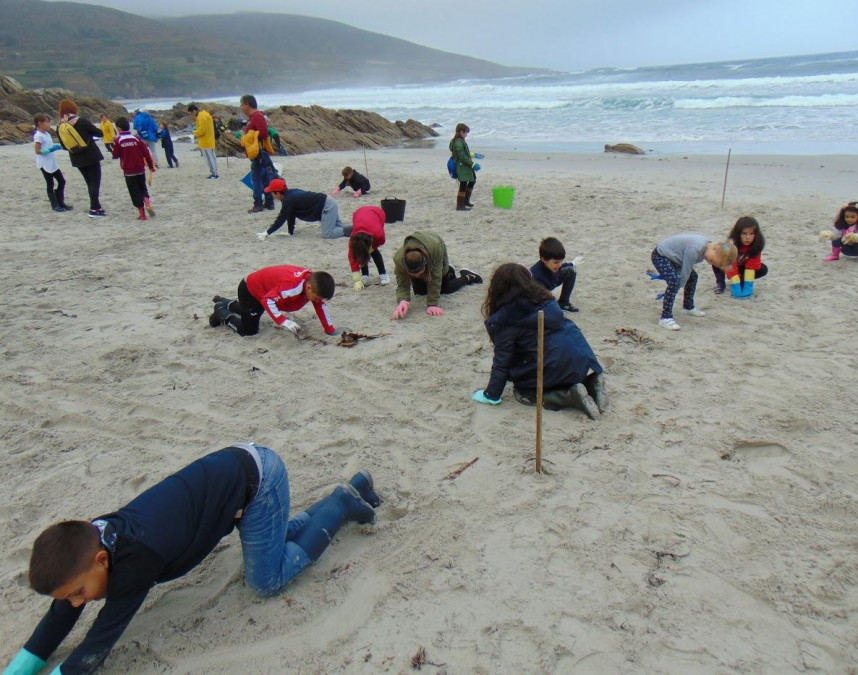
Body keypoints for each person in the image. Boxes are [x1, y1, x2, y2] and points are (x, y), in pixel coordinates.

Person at [3, 443, 380, 675]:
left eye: (77, 593)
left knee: (267, 578)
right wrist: (19, 669)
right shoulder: (93, 540)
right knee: (271, 541)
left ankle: (343, 505)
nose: (75, 603)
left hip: (259, 481)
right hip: (236, 471)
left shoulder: (134, 564)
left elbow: (100, 641)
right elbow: (61, 614)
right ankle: (352, 489)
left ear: (102, 560)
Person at [472, 263, 608, 419]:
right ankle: (592, 381)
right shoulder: (546, 299)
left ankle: (569, 397)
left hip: (552, 366)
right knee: (559, 364)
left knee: (524, 391)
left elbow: (502, 361)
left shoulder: (505, 319)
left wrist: (491, 395)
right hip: (583, 360)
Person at [209, 265, 337, 338]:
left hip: (264, 291)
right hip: (251, 291)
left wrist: (329, 329)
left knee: (249, 312)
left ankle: (224, 301)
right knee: (248, 331)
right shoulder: (293, 286)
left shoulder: (313, 284)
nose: (317, 301)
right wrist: (283, 320)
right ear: (309, 288)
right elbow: (268, 300)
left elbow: (320, 305)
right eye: (316, 298)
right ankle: (220, 312)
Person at [651, 233, 737, 331]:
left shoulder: (706, 247)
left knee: (693, 277)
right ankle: (665, 317)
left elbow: (686, 270)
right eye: (712, 260)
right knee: (674, 282)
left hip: (675, 259)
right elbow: (685, 272)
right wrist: (678, 285)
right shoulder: (695, 249)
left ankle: (688, 307)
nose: (709, 263)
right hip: (661, 256)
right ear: (714, 248)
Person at [391, 231, 482, 319]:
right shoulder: (399, 259)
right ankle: (449, 271)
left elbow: (436, 279)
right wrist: (403, 301)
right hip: (421, 259)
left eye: (420, 274)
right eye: (413, 275)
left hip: (435, 245)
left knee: (445, 289)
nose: (418, 277)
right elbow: (402, 283)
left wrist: (432, 304)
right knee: (421, 292)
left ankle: (467, 277)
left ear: (425, 264)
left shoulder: (435, 249)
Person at [57, 99, 106, 218]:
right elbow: (100, 133)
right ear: (73, 109)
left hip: (76, 158)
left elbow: (64, 146)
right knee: (94, 182)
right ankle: (94, 208)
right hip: (91, 155)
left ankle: (96, 206)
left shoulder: (61, 127)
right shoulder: (82, 121)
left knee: (89, 182)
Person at [256, 178, 350, 240]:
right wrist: (290, 232)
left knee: (328, 234)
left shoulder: (288, 199)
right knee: (338, 229)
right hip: (328, 203)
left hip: (327, 206)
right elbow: (290, 214)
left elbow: (281, 218)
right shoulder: (288, 196)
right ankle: (354, 230)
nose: (272, 195)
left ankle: (353, 229)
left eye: (272, 193)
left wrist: (267, 233)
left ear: (278, 193)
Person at [111, 117, 156, 221]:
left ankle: (142, 215)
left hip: (129, 171)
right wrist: (151, 166)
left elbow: (115, 155)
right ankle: (147, 202)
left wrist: (114, 145)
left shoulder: (118, 140)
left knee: (134, 192)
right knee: (142, 187)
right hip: (140, 169)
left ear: (118, 128)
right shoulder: (136, 139)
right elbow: (146, 153)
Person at [713, 216, 767, 298]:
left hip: (743, 267)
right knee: (716, 261)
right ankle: (720, 284)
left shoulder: (756, 245)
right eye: (744, 233)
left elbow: (752, 266)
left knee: (763, 269)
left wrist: (748, 288)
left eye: (751, 234)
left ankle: (742, 280)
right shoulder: (731, 243)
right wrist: (726, 246)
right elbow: (722, 254)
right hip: (729, 264)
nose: (748, 237)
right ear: (738, 234)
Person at [240, 94, 275, 213]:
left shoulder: (256, 116)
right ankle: (269, 202)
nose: (241, 107)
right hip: (259, 152)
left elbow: (264, 133)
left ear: (247, 104)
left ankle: (258, 203)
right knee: (265, 178)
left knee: (256, 179)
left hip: (259, 152)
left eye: (242, 104)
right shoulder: (254, 116)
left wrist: (251, 135)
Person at [530, 237, 581, 313]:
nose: (559, 265)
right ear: (543, 259)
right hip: (540, 291)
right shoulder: (536, 276)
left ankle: (564, 303)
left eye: (561, 261)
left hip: (552, 281)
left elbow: (562, 266)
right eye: (556, 262)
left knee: (570, 271)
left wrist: (572, 263)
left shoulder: (553, 266)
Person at [33, 114, 70, 213]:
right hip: (44, 163)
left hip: (51, 162)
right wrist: (50, 150)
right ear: (40, 123)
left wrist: (59, 147)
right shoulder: (38, 135)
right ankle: (55, 205)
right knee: (50, 184)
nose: (49, 124)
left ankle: (60, 202)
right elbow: (37, 151)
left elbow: (50, 144)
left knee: (61, 181)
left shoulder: (47, 134)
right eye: (47, 122)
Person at [348, 206, 390, 290]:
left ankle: (383, 273)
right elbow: (352, 258)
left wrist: (371, 248)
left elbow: (382, 241)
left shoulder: (379, 234)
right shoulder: (353, 241)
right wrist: (356, 279)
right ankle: (365, 275)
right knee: (361, 253)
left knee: (374, 252)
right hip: (358, 214)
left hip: (377, 214)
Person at [820, 201, 858, 265]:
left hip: (857, 249)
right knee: (835, 235)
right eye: (847, 217)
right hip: (844, 248)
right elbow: (837, 235)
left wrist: (853, 236)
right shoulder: (841, 224)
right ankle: (835, 255)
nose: (849, 219)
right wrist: (829, 235)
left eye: (853, 217)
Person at [449, 123, 480, 211]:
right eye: (466, 133)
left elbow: (463, 153)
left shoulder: (459, 141)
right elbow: (461, 156)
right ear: (461, 132)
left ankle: (466, 201)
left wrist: (473, 154)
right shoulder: (458, 142)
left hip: (464, 166)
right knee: (463, 184)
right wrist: (472, 164)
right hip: (461, 166)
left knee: (472, 181)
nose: (466, 135)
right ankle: (460, 205)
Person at [187, 104, 218, 179]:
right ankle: (214, 173)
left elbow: (202, 130)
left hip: (206, 141)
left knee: (209, 158)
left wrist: (194, 133)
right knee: (212, 157)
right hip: (209, 140)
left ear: (194, 111)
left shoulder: (201, 117)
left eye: (191, 113)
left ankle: (214, 174)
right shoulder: (205, 115)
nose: (191, 115)